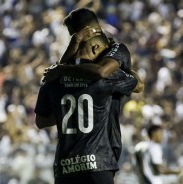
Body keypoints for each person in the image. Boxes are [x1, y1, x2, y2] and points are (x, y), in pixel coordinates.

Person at [42, 8, 144, 163]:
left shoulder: (115, 51)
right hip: (95, 158)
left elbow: (134, 83)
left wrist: (62, 69)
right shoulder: (74, 68)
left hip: (88, 154)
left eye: (75, 37)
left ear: (87, 34)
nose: (75, 46)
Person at [35, 54, 138, 184]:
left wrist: (65, 112)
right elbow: (137, 83)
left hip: (66, 166)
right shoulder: (105, 79)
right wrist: (116, 62)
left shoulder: (52, 79)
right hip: (98, 162)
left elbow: (40, 122)